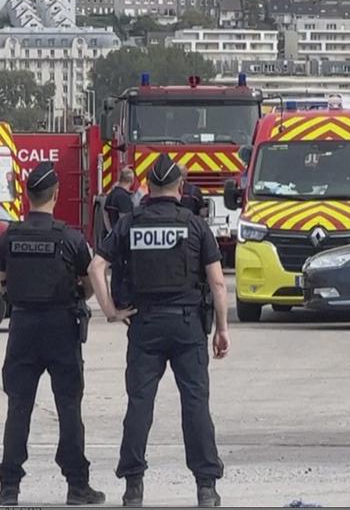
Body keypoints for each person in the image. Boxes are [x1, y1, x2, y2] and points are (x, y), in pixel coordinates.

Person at [88, 154, 230, 508]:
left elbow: (96, 266)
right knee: (195, 405)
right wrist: (222, 329)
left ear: (147, 187)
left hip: (144, 324)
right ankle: (206, 487)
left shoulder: (130, 222)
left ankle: (133, 486)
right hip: (187, 326)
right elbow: (217, 283)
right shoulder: (195, 226)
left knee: (139, 405)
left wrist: (110, 310)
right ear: (180, 188)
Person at [0, 161, 105, 506]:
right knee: (69, 408)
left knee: (19, 407)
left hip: (23, 327)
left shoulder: (10, 237)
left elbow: (2, 280)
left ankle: (9, 487)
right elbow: (90, 284)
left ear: (27, 196)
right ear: (56, 195)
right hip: (61, 328)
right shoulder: (70, 238)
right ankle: (77, 486)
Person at [105, 167, 136, 232]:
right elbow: (125, 221)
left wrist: (111, 232)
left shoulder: (110, 194)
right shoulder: (123, 197)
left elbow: (106, 217)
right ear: (131, 181)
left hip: (112, 234)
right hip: (120, 237)